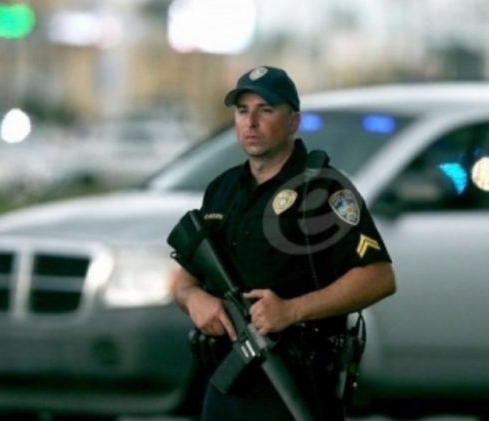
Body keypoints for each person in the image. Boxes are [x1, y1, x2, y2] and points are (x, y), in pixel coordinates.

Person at [170, 65, 396, 421]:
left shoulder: (323, 189)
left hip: (295, 383)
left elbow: (379, 277)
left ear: (293, 122)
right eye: (242, 111)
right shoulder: (222, 189)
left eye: (265, 110)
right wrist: (194, 300)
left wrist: (292, 310)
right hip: (224, 384)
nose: (251, 122)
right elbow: (184, 279)